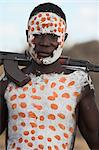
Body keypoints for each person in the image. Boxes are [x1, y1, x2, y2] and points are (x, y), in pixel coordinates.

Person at [0, 2, 99, 150]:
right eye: (37, 35)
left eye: (53, 36)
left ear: (64, 38)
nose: (45, 43)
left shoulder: (77, 84)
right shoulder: (8, 81)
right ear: (27, 35)